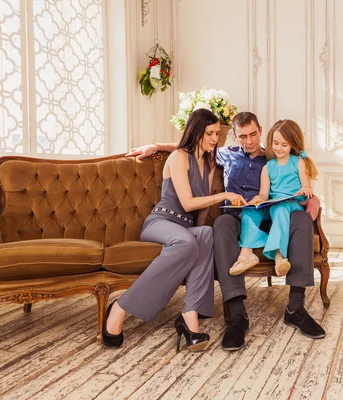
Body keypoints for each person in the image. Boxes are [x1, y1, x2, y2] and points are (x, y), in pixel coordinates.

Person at [127, 111, 325, 352]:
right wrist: (157, 146)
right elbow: (191, 146)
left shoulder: (273, 157)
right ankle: (237, 315)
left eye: (253, 134)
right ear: (234, 135)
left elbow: (298, 177)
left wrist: (312, 199)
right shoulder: (225, 155)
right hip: (237, 216)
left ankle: (296, 308)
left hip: (271, 216)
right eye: (243, 136)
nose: (249, 140)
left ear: (261, 130)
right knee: (220, 224)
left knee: (302, 220)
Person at [103, 109, 246, 351]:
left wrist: (202, 236)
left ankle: (190, 316)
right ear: (197, 132)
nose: (215, 138)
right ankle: (120, 307)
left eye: (216, 133)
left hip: (186, 229)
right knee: (188, 242)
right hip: (162, 222)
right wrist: (222, 195)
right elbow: (189, 202)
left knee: (205, 235)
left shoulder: (210, 163)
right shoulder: (179, 157)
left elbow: (199, 213)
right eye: (209, 133)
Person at [229, 119, 318, 280]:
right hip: (274, 203)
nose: (278, 148)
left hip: (292, 204)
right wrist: (257, 199)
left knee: (280, 208)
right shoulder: (268, 167)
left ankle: (279, 256)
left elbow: (307, 187)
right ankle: (246, 253)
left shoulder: (298, 163)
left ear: (292, 144)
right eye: (275, 143)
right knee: (249, 211)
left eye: (284, 145)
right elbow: (264, 194)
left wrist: (305, 189)